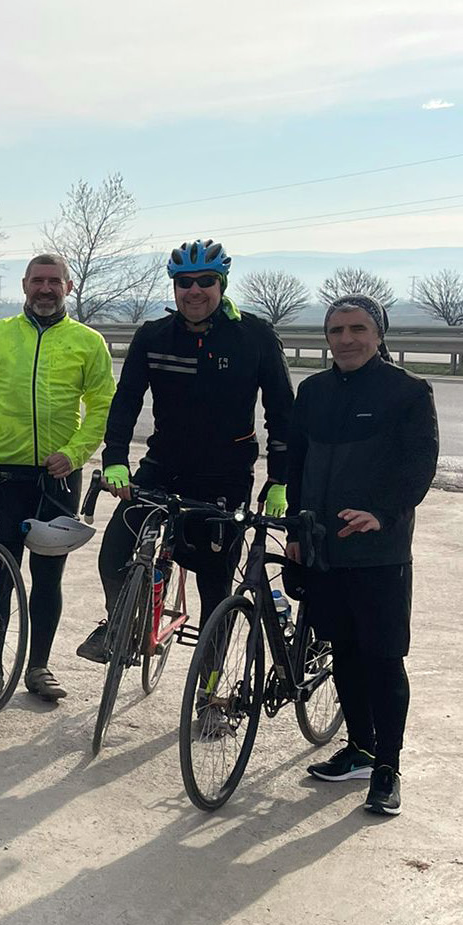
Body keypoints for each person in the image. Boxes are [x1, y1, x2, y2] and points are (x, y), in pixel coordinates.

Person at [77, 238, 294, 662]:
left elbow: (283, 413)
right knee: (115, 548)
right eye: (185, 282)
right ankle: (123, 628)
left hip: (225, 474)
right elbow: (126, 402)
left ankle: (209, 690)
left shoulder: (254, 336)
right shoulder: (154, 335)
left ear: (223, 284)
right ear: (174, 287)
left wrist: (281, 479)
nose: (194, 291)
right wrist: (116, 459)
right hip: (163, 465)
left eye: (206, 281)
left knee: (214, 583)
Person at [287, 296, 438, 816]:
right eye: (336, 330)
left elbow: (420, 464)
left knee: (382, 657)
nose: (346, 339)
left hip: (379, 550)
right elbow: (296, 463)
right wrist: (294, 530)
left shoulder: (408, 391)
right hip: (323, 546)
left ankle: (388, 767)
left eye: (357, 329)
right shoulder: (313, 390)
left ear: (379, 335)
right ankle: (359, 748)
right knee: (343, 650)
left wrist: (383, 512)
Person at [0, 252, 115, 702]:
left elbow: (103, 405)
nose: (45, 289)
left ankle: (39, 667)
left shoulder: (88, 342)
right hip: (3, 475)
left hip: (58, 478)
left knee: (48, 578)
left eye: (54, 281)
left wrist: (74, 453)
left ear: (68, 287)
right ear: (24, 285)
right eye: (37, 281)